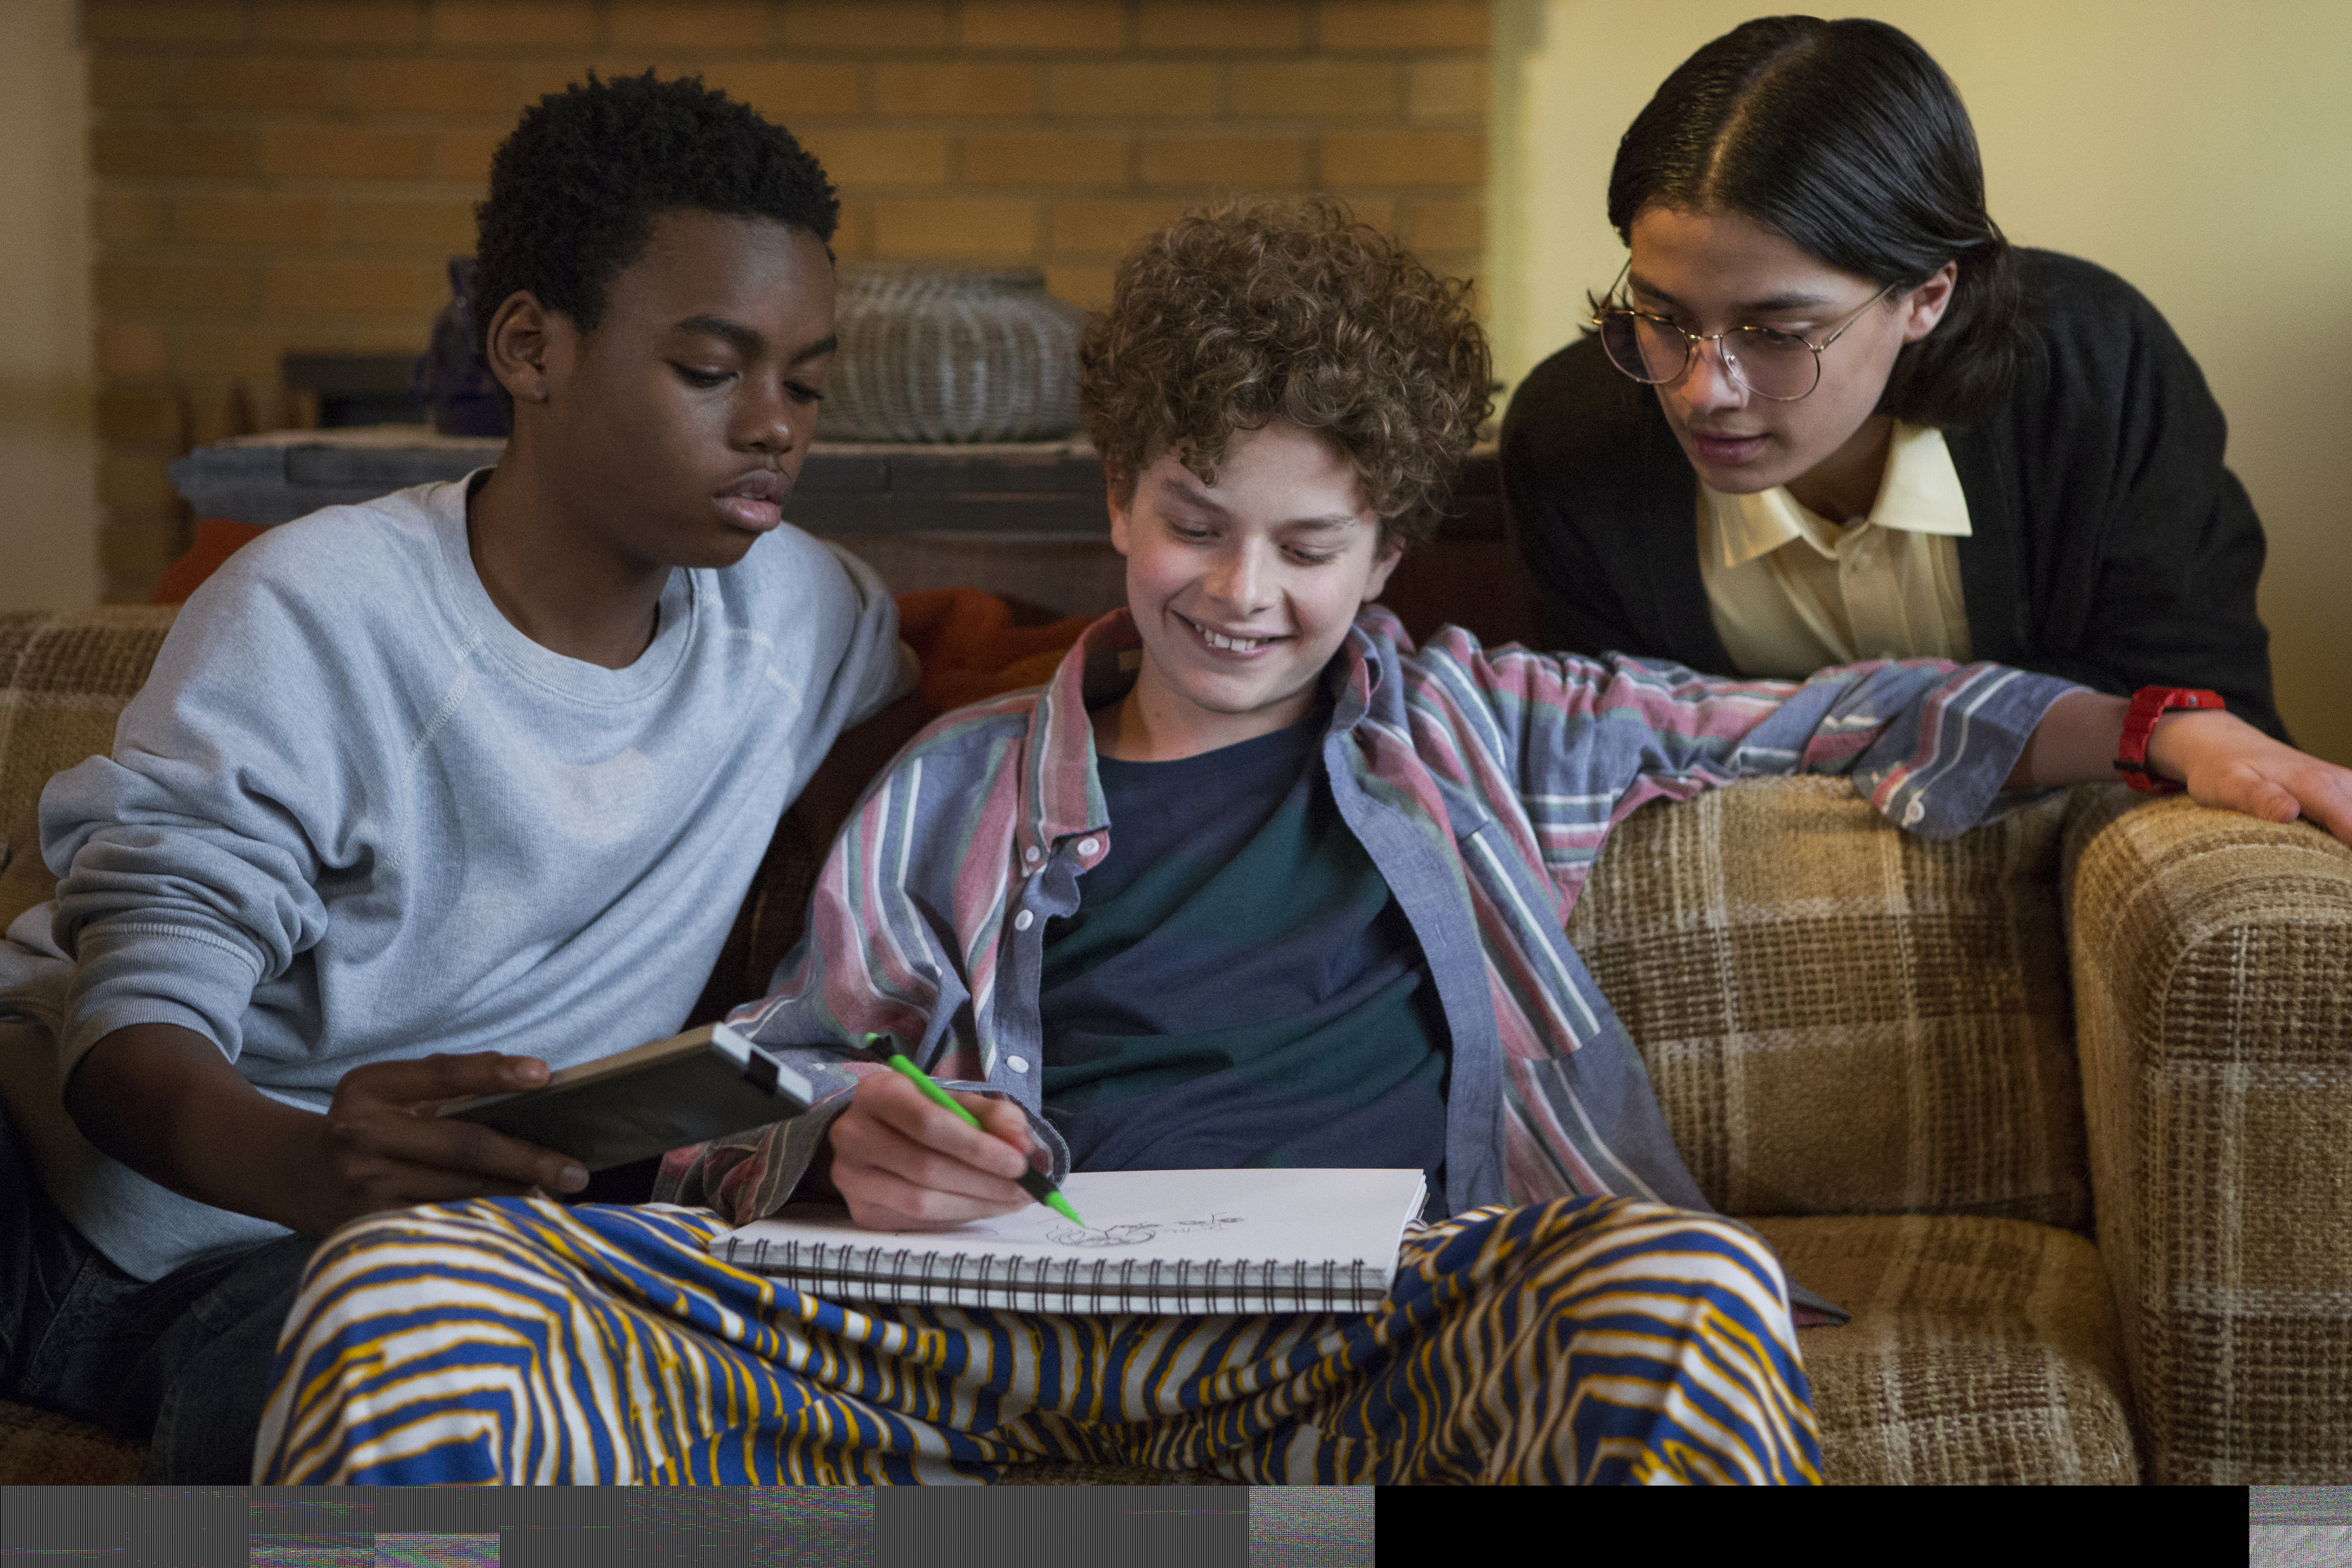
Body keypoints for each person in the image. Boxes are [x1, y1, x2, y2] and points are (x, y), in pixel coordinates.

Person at [251, 197, 2352, 1488]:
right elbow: (788, 1084)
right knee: (414, 1279)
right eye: (1191, 519)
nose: (1238, 591)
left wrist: (2170, 727)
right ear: (1115, 486)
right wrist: (838, 1146)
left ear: (1385, 543)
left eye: (1308, 543)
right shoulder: (955, 784)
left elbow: (1864, 706)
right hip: (981, 1343)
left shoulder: (1490, 716)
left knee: (1688, 1287)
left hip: (1374, 1329)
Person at [0, 72, 919, 1481]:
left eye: (804, 379)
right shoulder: (320, 612)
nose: (774, 426)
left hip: (318, 1274)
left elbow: (1018, 712)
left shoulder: (808, 620)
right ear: (531, 347)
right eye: (709, 368)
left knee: (398, 1401)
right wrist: (312, 1165)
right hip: (61, 1187)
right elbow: (124, 1030)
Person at [1500, 16, 2291, 740]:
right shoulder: (1574, 445)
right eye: (1662, 317)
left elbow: (2207, 727)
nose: (1702, 392)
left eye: (1776, 333)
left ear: (1926, 298)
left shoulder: (2096, 381)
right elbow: (1614, 752)